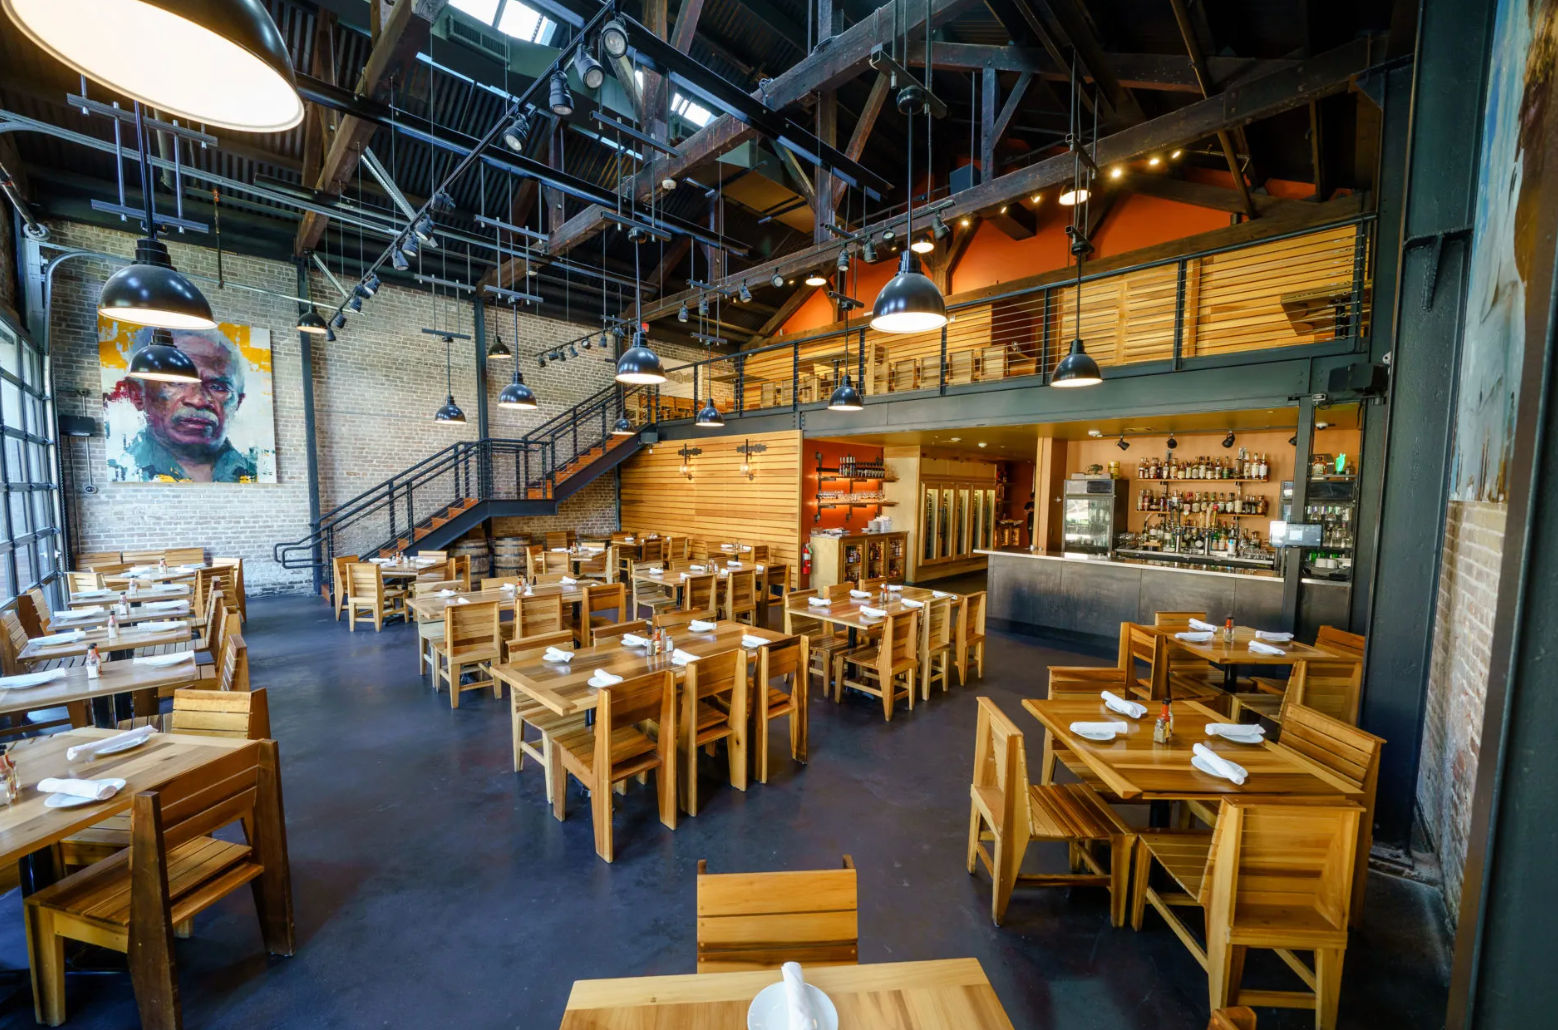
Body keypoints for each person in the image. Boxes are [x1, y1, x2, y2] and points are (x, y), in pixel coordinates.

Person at [119, 326, 257, 482]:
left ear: (237, 402)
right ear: (137, 395)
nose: (198, 400)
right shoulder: (121, 467)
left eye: (217, 387)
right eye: (177, 382)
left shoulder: (255, 472)